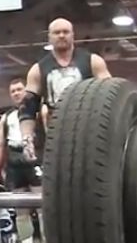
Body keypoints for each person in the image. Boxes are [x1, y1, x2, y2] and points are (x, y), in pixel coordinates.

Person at [17, 18, 111, 162]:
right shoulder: (38, 69)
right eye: (57, 32)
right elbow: (27, 108)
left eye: (65, 32)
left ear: (73, 35)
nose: (61, 35)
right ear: (49, 37)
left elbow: (110, 96)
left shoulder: (93, 61)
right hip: (56, 133)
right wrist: (27, 139)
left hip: (89, 130)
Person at [0, 78, 43, 243]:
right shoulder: (7, 117)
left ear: (26, 91)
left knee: (43, 208)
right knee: (21, 210)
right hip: (15, 161)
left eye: (19, 89)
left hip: (35, 157)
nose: (17, 93)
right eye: (13, 91)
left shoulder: (39, 112)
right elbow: (0, 144)